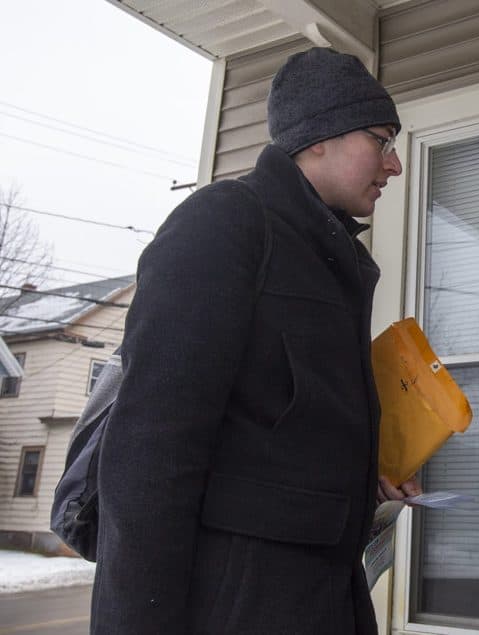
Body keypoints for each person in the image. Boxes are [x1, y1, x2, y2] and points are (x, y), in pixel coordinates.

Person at [92, 47, 420, 635]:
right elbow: (150, 454)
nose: (394, 165)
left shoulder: (332, 255)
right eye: (382, 140)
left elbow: (271, 436)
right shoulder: (227, 224)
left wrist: (365, 473)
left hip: (324, 598)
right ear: (321, 136)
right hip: (239, 607)